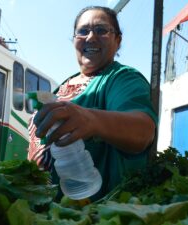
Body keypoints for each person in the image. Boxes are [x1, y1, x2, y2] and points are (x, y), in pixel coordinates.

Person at [28, 6, 158, 201]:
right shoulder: (63, 86)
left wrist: (93, 121)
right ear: (74, 40)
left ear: (118, 41)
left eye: (101, 30)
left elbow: (143, 131)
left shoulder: (122, 79)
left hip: (90, 212)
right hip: (45, 208)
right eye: (83, 31)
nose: (90, 37)